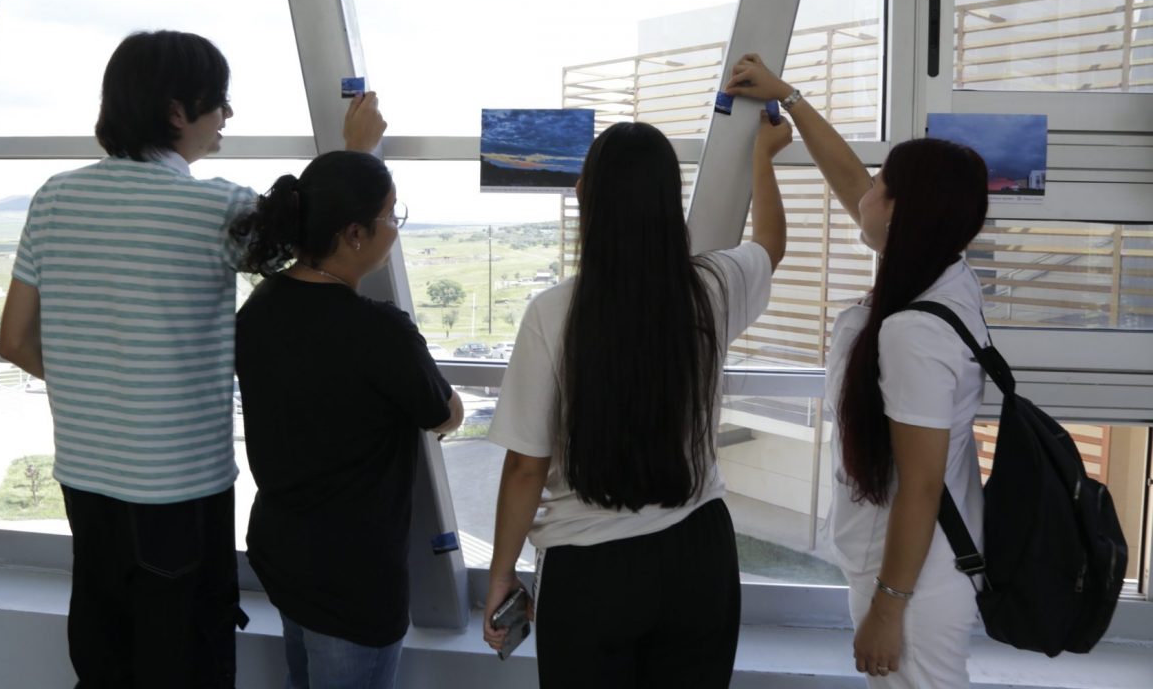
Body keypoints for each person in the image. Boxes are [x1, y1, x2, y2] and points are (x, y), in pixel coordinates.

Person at [0, 29, 386, 688]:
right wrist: (357, 155)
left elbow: (14, 341)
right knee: (187, 662)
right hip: (178, 491)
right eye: (219, 102)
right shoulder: (215, 208)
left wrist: (102, 387)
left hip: (85, 481)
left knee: (105, 659)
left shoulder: (54, 198)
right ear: (177, 111)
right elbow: (324, 251)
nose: (228, 115)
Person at [482, 115, 793, 687]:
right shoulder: (712, 288)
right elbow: (770, 245)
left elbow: (527, 466)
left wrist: (502, 574)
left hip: (590, 571)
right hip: (698, 555)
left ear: (585, 194)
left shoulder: (552, 312)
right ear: (668, 202)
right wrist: (763, 157)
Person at [724, 53, 990, 688]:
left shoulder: (914, 331)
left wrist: (888, 609)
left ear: (896, 211)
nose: (863, 191)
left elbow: (920, 484)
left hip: (913, 578)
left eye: (880, 185)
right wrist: (790, 98)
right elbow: (850, 179)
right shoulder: (944, 271)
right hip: (918, 560)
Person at [231, 150, 464, 689]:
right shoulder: (378, 331)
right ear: (355, 234)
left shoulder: (259, 308)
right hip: (352, 580)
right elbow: (445, 414)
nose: (396, 229)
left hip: (284, 556)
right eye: (392, 216)